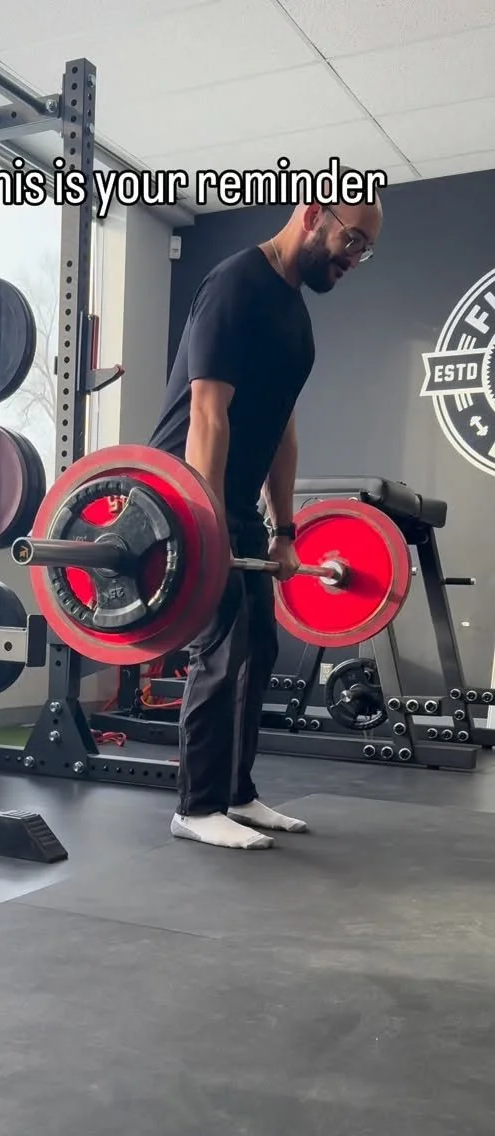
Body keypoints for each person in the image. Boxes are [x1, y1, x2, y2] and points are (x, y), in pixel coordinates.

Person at [148, 180, 384, 850]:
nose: (353, 258)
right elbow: (206, 414)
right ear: (312, 215)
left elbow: (283, 433)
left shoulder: (296, 319)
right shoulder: (235, 285)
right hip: (183, 499)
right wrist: (206, 523)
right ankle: (195, 808)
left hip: (238, 505)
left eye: (364, 250)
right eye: (351, 241)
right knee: (222, 645)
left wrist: (284, 531)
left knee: (259, 646)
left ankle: (237, 793)